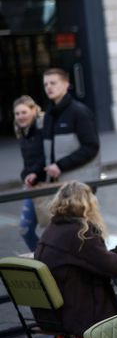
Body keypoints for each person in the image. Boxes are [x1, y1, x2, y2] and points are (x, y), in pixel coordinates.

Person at [34, 181, 117, 337]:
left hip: (51, 316)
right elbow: (115, 266)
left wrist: (115, 252)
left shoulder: (52, 228)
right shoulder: (81, 234)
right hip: (78, 317)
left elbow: (87, 259)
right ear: (88, 205)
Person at [42, 68, 100, 185]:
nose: (48, 87)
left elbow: (91, 147)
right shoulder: (48, 115)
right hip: (57, 183)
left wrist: (60, 166)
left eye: (53, 83)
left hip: (79, 183)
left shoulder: (79, 112)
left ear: (66, 85)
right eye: (45, 84)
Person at [14, 95, 45, 251]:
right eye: (17, 113)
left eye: (24, 112)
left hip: (46, 185)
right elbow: (28, 161)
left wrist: (34, 173)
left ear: (34, 110)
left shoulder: (42, 128)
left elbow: (47, 156)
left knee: (52, 230)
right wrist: (25, 176)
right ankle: (42, 257)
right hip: (31, 186)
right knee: (25, 229)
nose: (20, 116)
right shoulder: (22, 132)